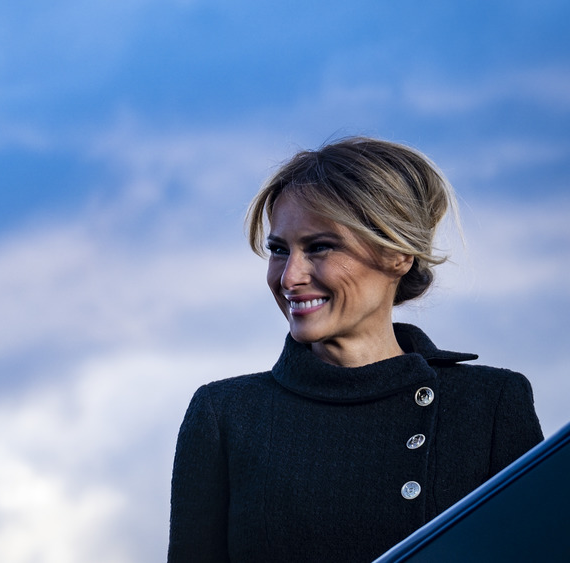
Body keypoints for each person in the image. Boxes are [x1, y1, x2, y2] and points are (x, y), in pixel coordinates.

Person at [167, 137, 544, 562]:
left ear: (397, 254)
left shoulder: (489, 405)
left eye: (320, 247)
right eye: (278, 250)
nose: (290, 277)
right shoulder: (227, 414)